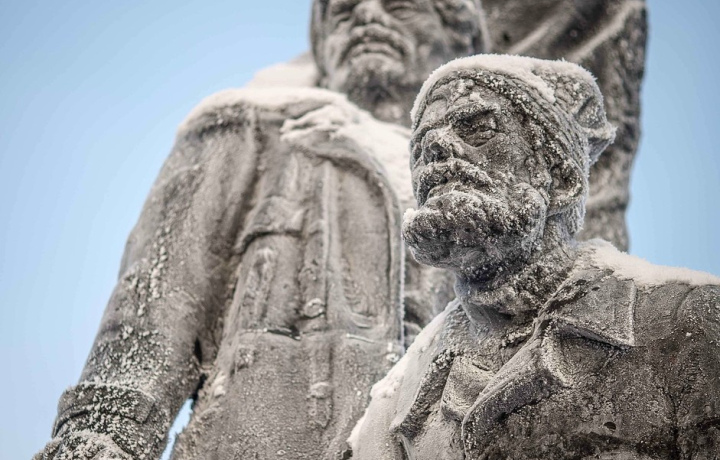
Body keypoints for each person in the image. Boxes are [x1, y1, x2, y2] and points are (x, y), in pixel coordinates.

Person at [34, 1, 488, 459]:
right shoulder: (250, 128)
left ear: (462, 38)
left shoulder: (488, 171)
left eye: (400, 6)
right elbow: (154, 311)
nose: (368, 16)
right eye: (343, 11)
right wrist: (98, 439)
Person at [351, 54, 720, 459]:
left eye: (478, 129)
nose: (436, 149)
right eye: (420, 148)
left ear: (561, 179)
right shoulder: (396, 400)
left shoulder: (684, 322)